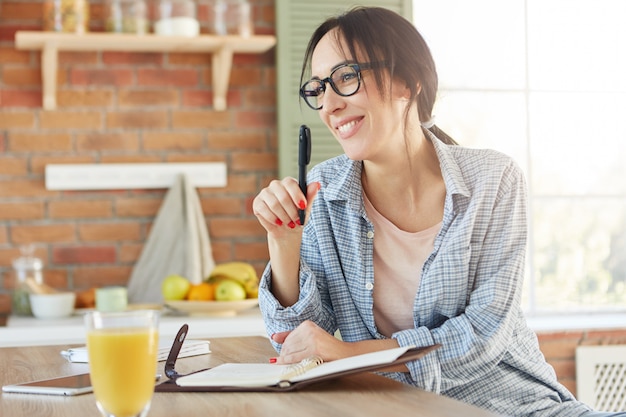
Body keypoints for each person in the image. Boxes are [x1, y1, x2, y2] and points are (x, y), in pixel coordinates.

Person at [252, 6, 624, 417]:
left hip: (516, 405)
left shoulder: (494, 180)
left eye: (345, 78)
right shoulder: (323, 193)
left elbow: (484, 334)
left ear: (407, 82)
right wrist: (283, 244)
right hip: (397, 408)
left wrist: (353, 354)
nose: (329, 105)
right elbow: (296, 344)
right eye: (319, 88)